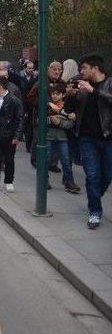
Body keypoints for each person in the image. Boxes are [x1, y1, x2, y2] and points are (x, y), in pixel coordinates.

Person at [68, 54, 111, 229]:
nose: (81, 72)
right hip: (87, 139)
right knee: (92, 175)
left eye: (84, 68)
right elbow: (70, 109)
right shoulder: (81, 84)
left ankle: (94, 196)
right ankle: (95, 211)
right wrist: (70, 96)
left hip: (108, 138)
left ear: (95, 68)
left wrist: (94, 91)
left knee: (107, 175)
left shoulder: (108, 83)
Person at [0, 77, 24, 195]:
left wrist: (17, 136)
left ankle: (9, 181)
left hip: (9, 135)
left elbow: (19, 119)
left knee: (9, 159)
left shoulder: (14, 100)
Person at [46, 82, 80, 194]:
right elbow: (39, 120)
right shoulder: (47, 106)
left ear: (63, 95)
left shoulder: (67, 106)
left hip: (63, 137)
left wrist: (60, 122)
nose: (55, 96)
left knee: (66, 160)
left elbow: (71, 123)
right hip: (49, 136)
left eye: (58, 94)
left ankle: (69, 182)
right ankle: (44, 180)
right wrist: (50, 120)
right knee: (46, 160)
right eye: (53, 94)